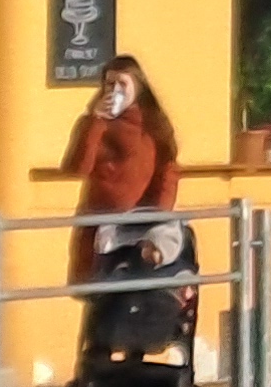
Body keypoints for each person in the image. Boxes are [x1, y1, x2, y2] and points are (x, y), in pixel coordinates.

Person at [60, 55, 182, 281]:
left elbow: (168, 172)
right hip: (99, 225)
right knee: (100, 297)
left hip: (139, 227)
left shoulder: (155, 125)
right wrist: (95, 122)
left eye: (122, 84)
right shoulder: (94, 124)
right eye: (110, 84)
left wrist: (158, 216)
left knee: (134, 296)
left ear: (138, 87)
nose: (115, 90)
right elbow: (77, 168)